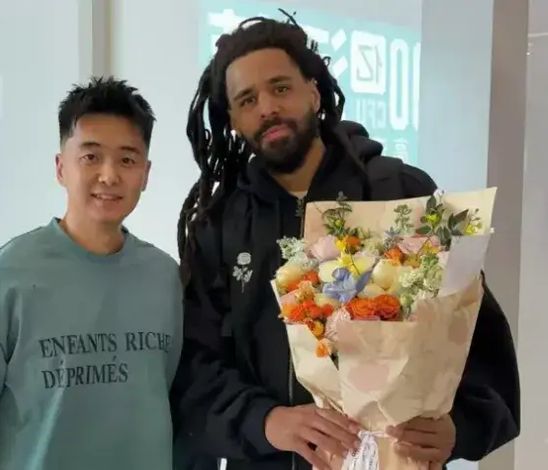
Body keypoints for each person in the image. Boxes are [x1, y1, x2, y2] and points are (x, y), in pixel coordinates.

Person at [172, 15, 520, 470]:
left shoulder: (399, 192)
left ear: (313, 92)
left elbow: (472, 330)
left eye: (280, 88)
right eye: (247, 100)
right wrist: (265, 421)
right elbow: (195, 364)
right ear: (233, 120)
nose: (267, 108)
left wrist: (461, 426)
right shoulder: (219, 224)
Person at [0, 77, 183, 469]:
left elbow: (183, 414)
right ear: (61, 168)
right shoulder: (1, 281)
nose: (109, 175)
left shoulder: (166, 280)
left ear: (145, 174)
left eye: (127, 160)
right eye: (90, 157)